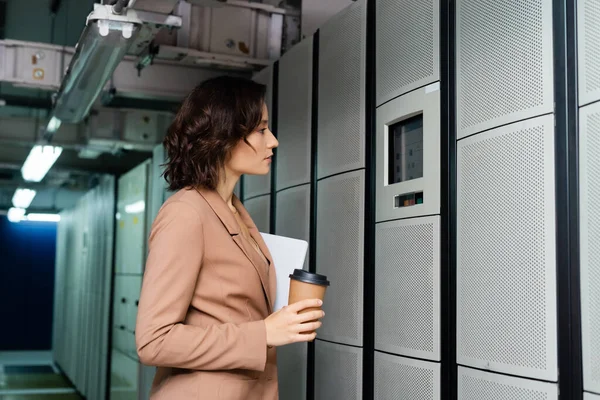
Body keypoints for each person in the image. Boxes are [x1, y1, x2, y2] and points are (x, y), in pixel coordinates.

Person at [135, 75, 324, 400]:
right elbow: (154, 340)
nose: (273, 141)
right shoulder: (186, 213)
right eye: (262, 130)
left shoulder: (233, 210)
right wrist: (264, 332)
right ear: (225, 136)